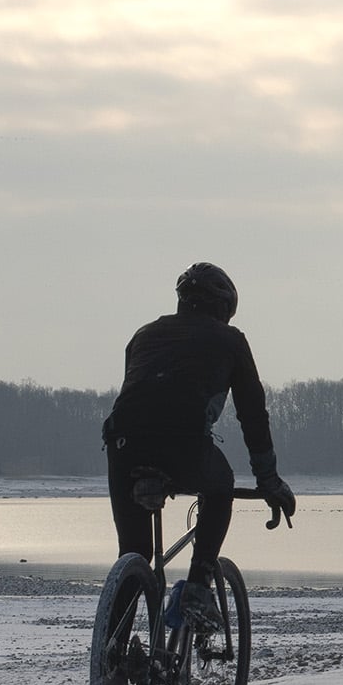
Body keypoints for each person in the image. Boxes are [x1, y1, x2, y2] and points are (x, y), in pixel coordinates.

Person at [102, 262, 296, 635]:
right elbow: (252, 415)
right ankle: (197, 586)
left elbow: (139, 394)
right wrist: (268, 479)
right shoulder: (231, 341)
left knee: (134, 553)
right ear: (223, 307)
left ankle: (113, 665)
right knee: (220, 485)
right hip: (183, 443)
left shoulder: (143, 335)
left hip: (123, 445)